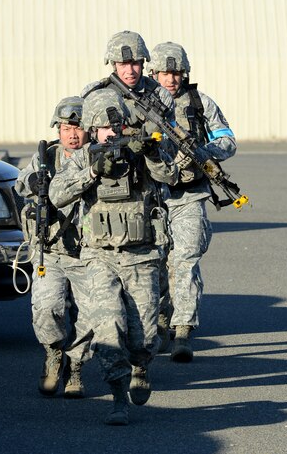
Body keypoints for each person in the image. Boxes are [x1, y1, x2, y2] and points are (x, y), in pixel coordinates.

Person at [48, 88, 178, 425]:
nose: (111, 131)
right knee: (108, 329)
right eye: (104, 127)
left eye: (116, 125)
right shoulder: (82, 156)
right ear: (92, 129)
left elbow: (171, 176)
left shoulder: (141, 151)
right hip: (99, 258)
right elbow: (56, 194)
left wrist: (150, 153)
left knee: (146, 336)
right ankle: (118, 398)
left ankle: (141, 365)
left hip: (142, 256)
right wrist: (91, 172)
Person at [147, 41, 237, 362]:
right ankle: (158, 320)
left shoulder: (200, 104)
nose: (171, 79)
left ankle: (182, 328)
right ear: (152, 72)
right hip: (151, 197)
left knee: (184, 259)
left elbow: (227, 141)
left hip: (189, 195)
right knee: (154, 262)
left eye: (177, 72)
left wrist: (202, 151)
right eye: (165, 72)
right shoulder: (139, 103)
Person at [15, 96, 91, 397]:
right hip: (53, 251)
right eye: (66, 127)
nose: (73, 134)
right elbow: (20, 184)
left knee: (89, 317)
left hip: (89, 253)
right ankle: (54, 352)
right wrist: (36, 180)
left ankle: (76, 368)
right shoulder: (47, 156)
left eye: (79, 127)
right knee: (47, 309)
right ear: (57, 129)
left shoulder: (98, 157)